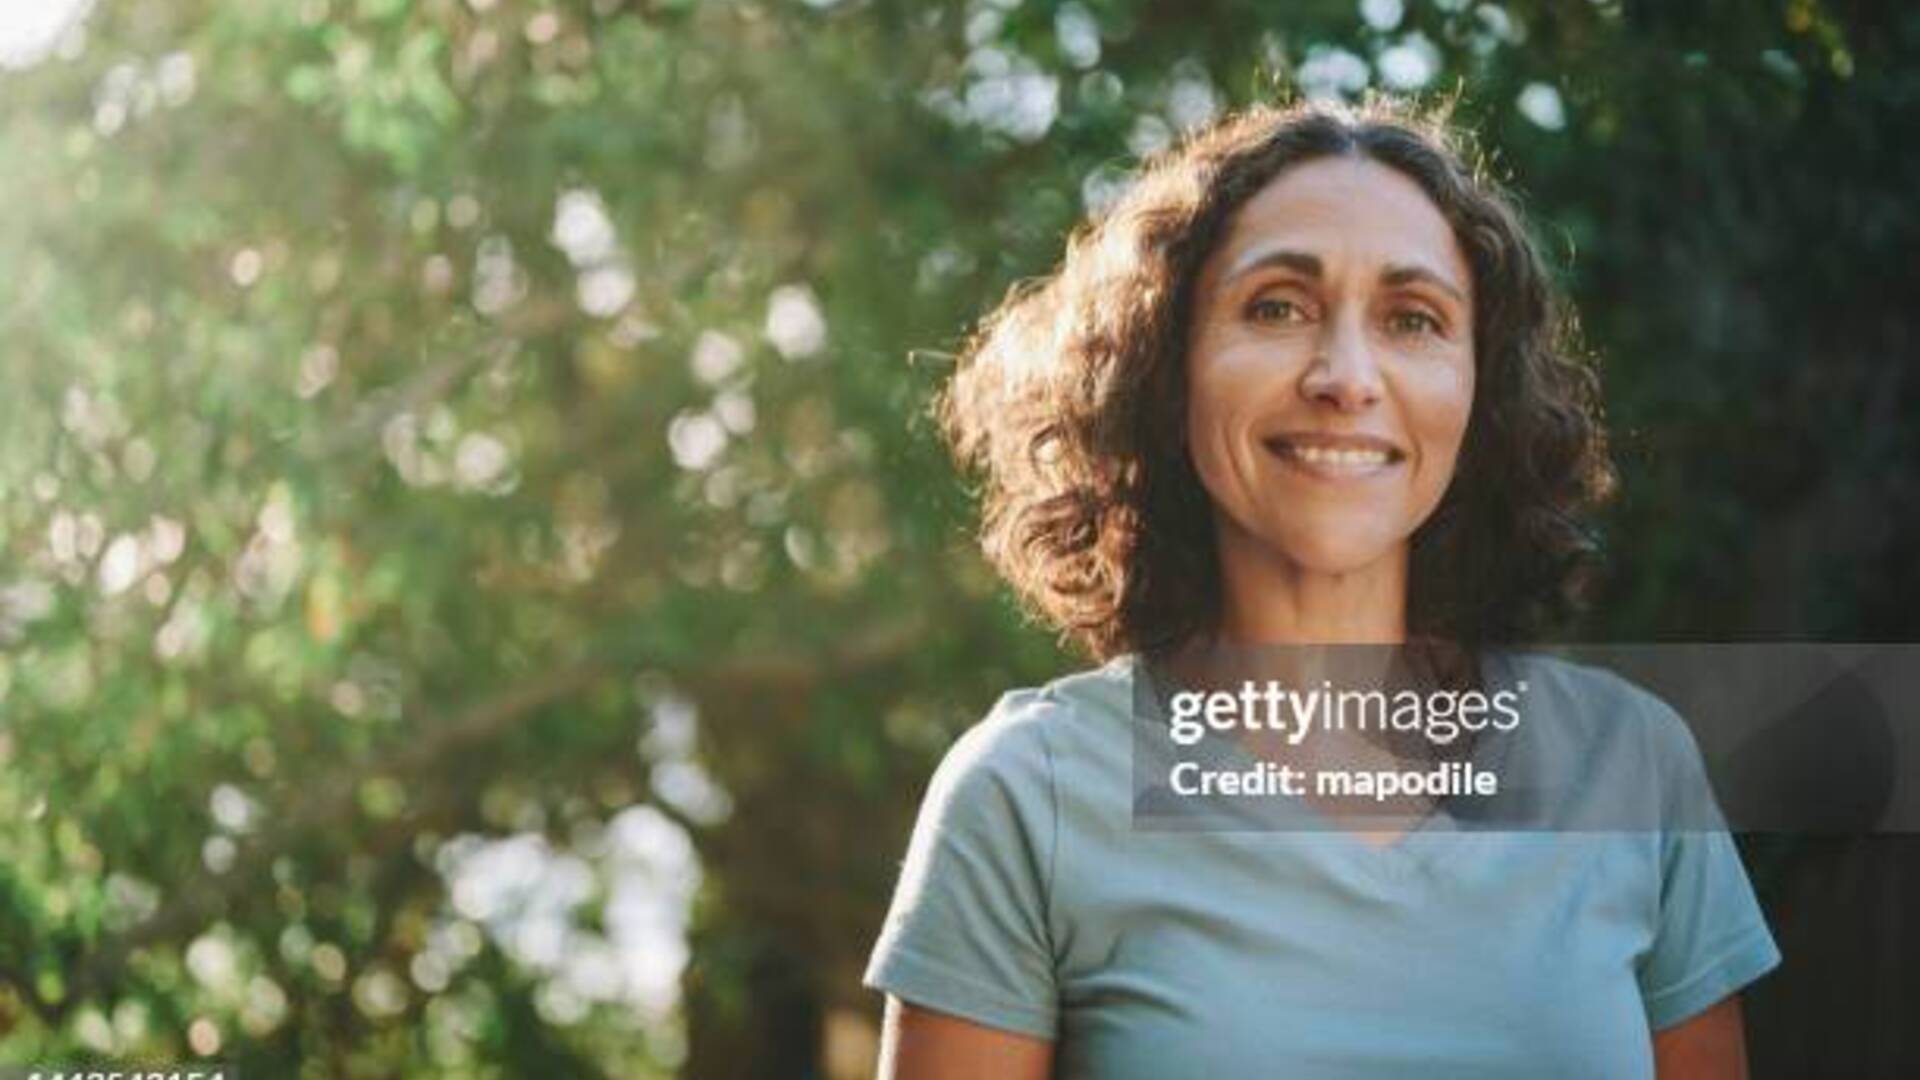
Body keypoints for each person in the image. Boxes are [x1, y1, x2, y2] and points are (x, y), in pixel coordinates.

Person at [862, 94, 1781, 1079]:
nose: (1348, 375)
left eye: (1413, 319)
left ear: (1480, 394)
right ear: (1168, 371)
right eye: (1277, 307)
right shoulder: (1026, 795)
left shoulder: (1632, 767)